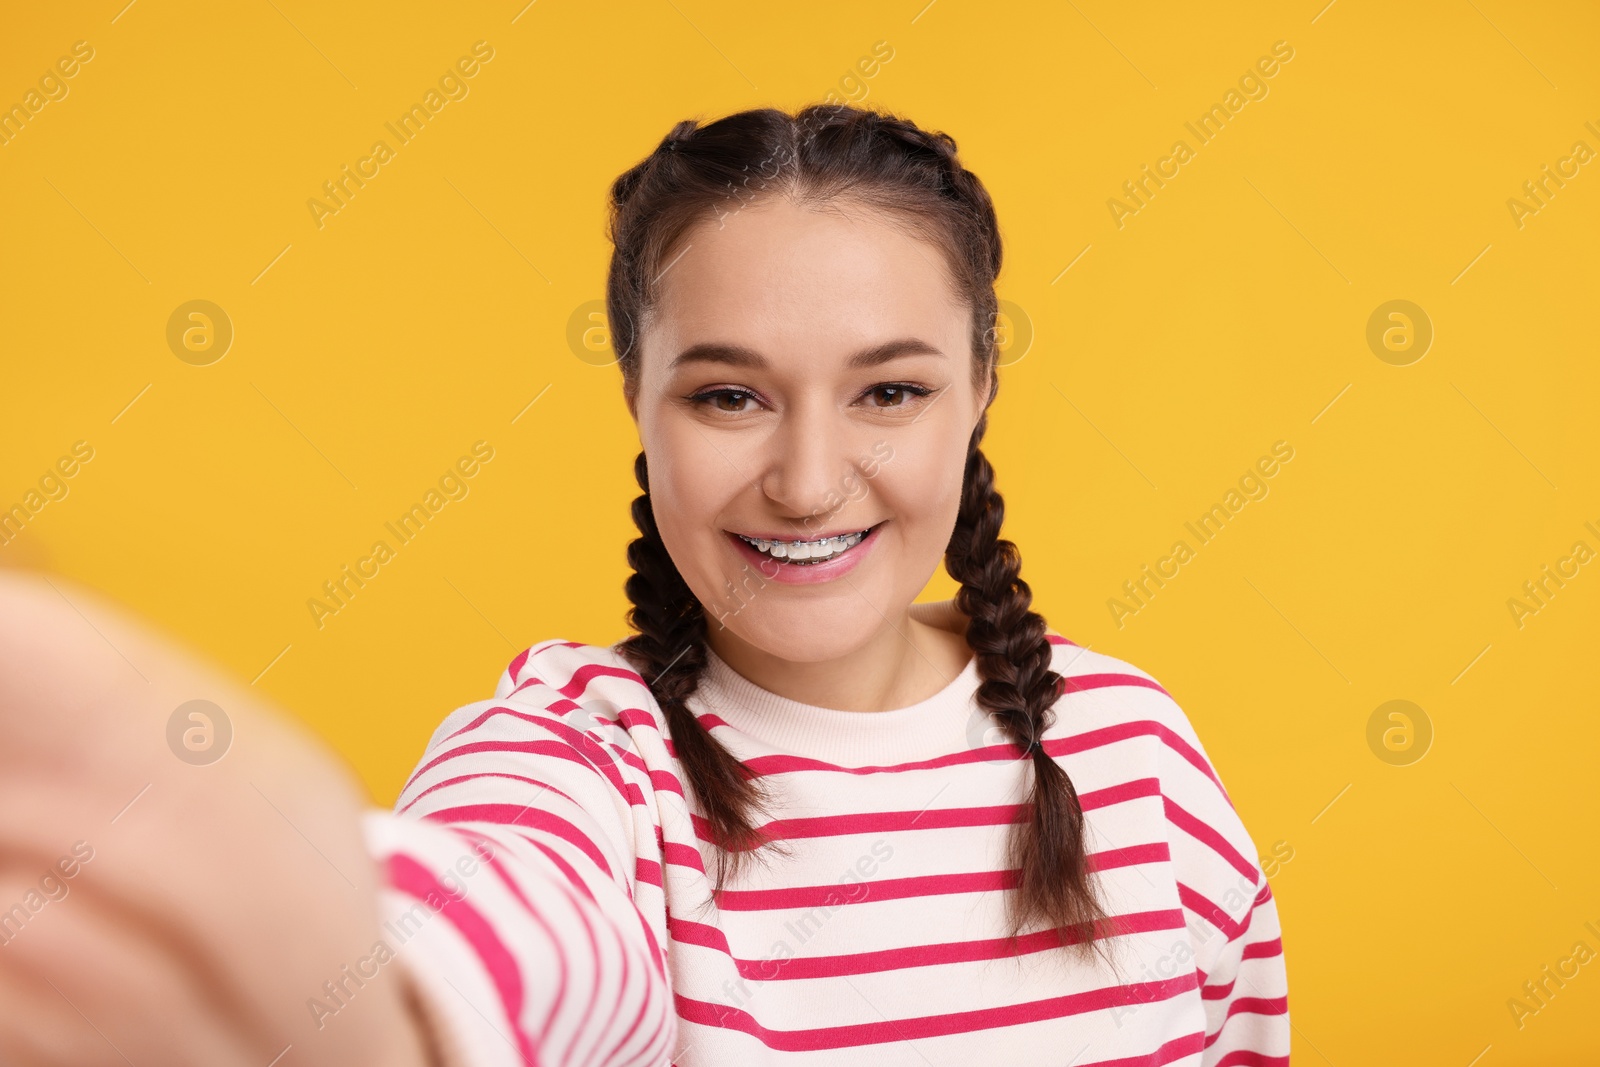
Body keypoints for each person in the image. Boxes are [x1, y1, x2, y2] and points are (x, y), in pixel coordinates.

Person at [0, 104, 1288, 1065]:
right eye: (728, 395)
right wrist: (364, 996)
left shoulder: (1132, 745)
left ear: (983, 389)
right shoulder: (582, 756)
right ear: (637, 400)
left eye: (889, 392)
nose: (807, 478)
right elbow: (504, 901)